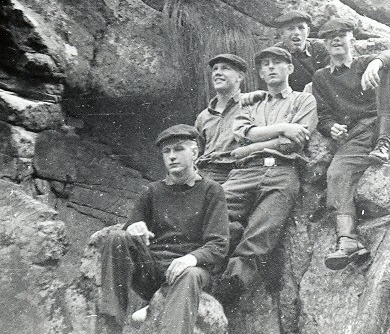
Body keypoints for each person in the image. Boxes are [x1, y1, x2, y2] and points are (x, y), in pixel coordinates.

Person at [96, 124, 229, 334]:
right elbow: (129, 229)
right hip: (153, 270)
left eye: (179, 149)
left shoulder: (211, 191)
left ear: (194, 152)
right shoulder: (152, 191)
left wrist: (190, 259)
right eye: (166, 151)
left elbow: (219, 244)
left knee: (189, 275)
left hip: (190, 271)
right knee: (116, 238)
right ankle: (110, 325)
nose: (172, 156)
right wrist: (134, 228)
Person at [312, 18, 390, 271]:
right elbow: (324, 115)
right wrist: (331, 127)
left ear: (352, 39)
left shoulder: (365, 63)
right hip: (359, 136)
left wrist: (377, 63)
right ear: (324, 44)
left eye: (342, 34)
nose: (336, 39)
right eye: (329, 37)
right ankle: (347, 240)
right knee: (337, 173)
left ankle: (384, 142)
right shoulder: (322, 77)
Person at [213, 46, 317, 303]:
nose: (270, 67)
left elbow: (293, 142)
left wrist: (250, 146)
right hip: (245, 172)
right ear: (260, 73)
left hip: (281, 171)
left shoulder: (304, 100)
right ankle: (204, 267)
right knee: (212, 211)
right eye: (265, 64)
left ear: (290, 68)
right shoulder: (250, 103)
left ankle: (233, 283)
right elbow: (242, 132)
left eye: (277, 62)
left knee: (263, 229)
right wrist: (282, 128)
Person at [194, 53, 248, 185]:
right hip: (205, 174)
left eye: (225, 68)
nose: (217, 73)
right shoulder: (203, 116)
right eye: (215, 69)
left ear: (240, 77)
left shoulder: (251, 106)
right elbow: (196, 152)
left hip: (237, 173)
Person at [273, 10, 329, 92]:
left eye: (301, 28)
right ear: (281, 33)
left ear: (308, 32)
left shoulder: (319, 48)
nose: (296, 32)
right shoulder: (276, 53)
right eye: (290, 28)